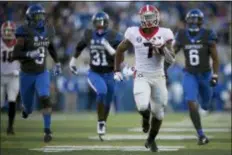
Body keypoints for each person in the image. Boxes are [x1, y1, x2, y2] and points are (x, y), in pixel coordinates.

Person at [114, 5, 175, 152]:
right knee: (142, 106)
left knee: (159, 113)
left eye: (151, 17)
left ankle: (151, 139)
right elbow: (120, 50)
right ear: (141, 19)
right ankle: (145, 118)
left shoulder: (165, 33)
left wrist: (162, 48)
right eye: (146, 18)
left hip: (158, 75)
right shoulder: (133, 32)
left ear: (157, 17)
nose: (148, 21)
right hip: (141, 74)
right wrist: (116, 70)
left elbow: (171, 59)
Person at [12, 4, 62, 143]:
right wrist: (29, 53)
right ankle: (26, 110)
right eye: (36, 16)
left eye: (41, 16)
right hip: (26, 74)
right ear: (29, 18)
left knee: (45, 97)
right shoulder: (24, 31)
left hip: (42, 72)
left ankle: (47, 130)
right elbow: (16, 53)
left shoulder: (48, 30)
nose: (40, 19)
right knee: (28, 107)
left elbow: (50, 45)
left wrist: (57, 62)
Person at [69, 11, 123, 140]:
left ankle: (103, 122)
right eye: (97, 23)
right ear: (93, 24)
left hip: (110, 73)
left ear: (107, 23)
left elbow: (120, 56)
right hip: (95, 73)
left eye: (102, 23)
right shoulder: (89, 35)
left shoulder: (114, 35)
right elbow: (79, 47)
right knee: (102, 92)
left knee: (108, 102)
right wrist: (72, 61)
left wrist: (109, 47)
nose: (100, 25)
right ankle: (100, 122)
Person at [174, 9, 219, 145]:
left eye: (196, 20)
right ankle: (201, 135)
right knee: (191, 102)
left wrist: (215, 75)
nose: (193, 22)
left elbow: (215, 58)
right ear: (187, 21)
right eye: (191, 20)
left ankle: (205, 105)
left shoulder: (207, 34)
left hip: (205, 75)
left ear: (201, 21)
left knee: (205, 105)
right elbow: (172, 53)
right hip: (190, 74)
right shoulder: (181, 35)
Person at [0, 21, 19, 135]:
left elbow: (24, 60)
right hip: (1, 76)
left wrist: (20, 70)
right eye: (6, 31)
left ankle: (10, 127)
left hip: (13, 76)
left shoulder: (19, 43)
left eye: (10, 31)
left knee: (12, 100)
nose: (8, 33)